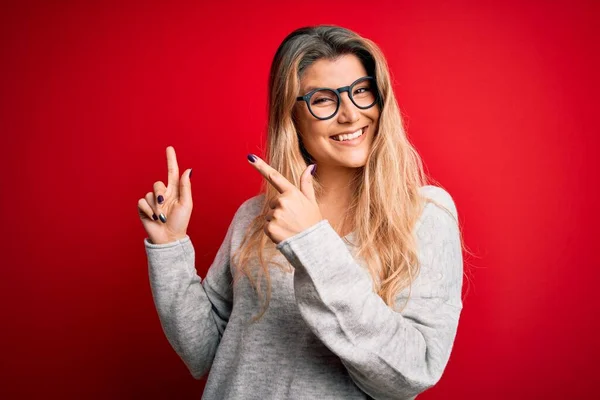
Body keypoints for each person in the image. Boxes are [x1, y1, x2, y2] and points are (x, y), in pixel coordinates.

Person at [137, 25, 465, 400]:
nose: (350, 114)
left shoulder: (425, 215)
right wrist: (170, 248)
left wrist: (313, 244)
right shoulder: (257, 216)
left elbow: (410, 374)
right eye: (323, 100)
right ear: (291, 117)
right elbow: (204, 353)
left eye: (361, 91)